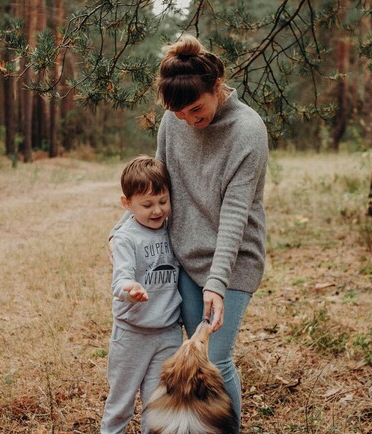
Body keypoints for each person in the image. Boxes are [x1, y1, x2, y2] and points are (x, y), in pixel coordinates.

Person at [111, 34, 268, 431]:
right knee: (189, 359)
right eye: (180, 114)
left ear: (216, 86)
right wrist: (124, 234)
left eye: (196, 109)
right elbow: (157, 186)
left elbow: (235, 214)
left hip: (233, 261)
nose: (189, 120)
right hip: (184, 255)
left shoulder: (248, 131)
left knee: (215, 357)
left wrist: (217, 282)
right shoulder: (174, 118)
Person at [101, 156, 183, 434]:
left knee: (158, 404)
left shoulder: (173, 230)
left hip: (168, 333)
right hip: (132, 334)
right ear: (127, 204)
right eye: (147, 205)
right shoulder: (126, 237)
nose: (157, 210)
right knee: (120, 403)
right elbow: (120, 279)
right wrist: (130, 290)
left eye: (162, 201)